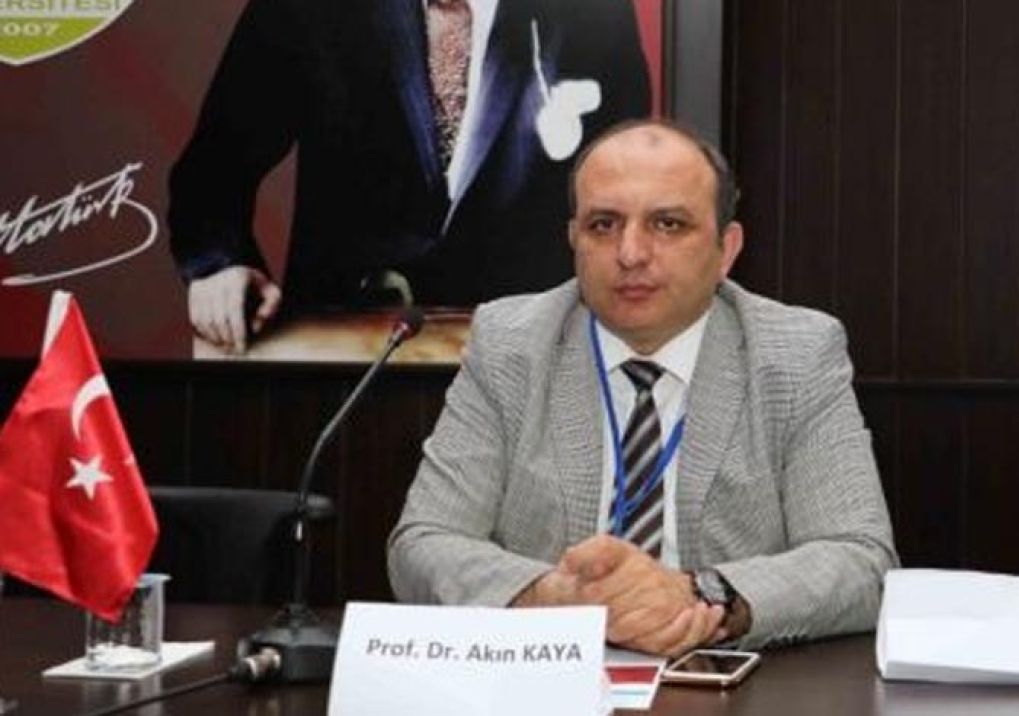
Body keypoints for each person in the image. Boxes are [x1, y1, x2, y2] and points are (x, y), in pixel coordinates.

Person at [387, 119, 898, 656]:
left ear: (726, 249)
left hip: (729, 682)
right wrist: (555, 599)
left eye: (668, 224)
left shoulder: (795, 354)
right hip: (547, 676)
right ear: (574, 241)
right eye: (603, 225)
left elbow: (861, 562)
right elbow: (423, 543)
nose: (630, 253)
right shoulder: (511, 345)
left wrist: (699, 595)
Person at [169, 0, 650, 353]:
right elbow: (212, 172)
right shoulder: (310, 9)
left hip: (525, 360)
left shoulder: (594, 13)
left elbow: (626, 191)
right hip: (339, 359)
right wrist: (220, 266)